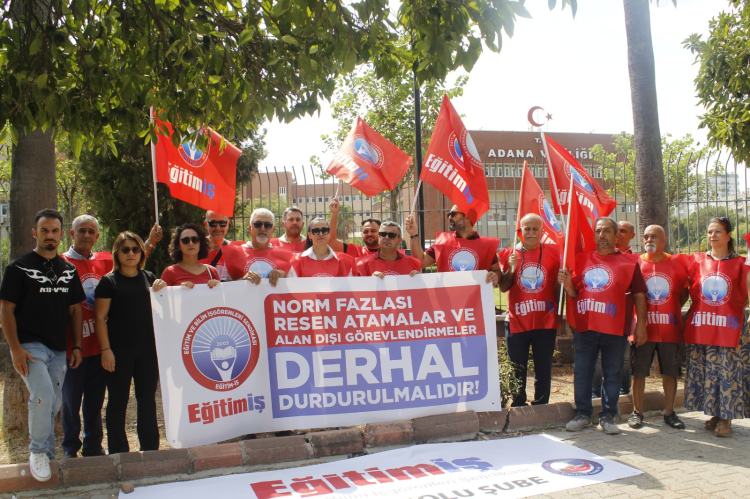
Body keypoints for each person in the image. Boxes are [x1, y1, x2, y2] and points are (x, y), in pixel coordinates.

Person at [0, 209, 85, 481]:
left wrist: (77, 346)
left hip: (58, 349)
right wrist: (15, 349)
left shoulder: (69, 270)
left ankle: (47, 455)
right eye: (44, 230)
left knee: (54, 402)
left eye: (55, 231)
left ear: (61, 234)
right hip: (29, 346)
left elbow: (75, 310)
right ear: (34, 233)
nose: (50, 235)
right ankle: (37, 451)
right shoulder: (18, 268)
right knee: (42, 395)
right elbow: (5, 309)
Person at [558, 217, 647, 435]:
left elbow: (639, 294)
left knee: (613, 373)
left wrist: (641, 326)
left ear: (616, 235)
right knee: (582, 372)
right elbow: (575, 293)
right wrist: (568, 285)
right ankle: (582, 414)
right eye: (598, 231)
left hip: (615, 328)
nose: (602, 235)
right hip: (586, 327)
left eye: (607, 231)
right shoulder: (582, 259)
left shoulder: (629, 262)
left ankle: (608, 416)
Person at [683, 217, 750, 438]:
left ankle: (725, 417)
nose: (712, 235)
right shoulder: (697, 261)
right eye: (710, 232)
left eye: (718, 231)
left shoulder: (742, 263)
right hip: (703, 325)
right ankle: (714, 412)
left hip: (729, 327)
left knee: (727, 371)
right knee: (707, 371)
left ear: (729, 235)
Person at [94, 232, 159, 454]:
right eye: (125, 249)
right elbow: (100, 318)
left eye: (135, 249)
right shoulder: (108, 282)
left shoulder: (150, 278)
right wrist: (106, 350)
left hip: (148, 351)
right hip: (118, 351)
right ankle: (118, 451)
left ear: (141, 252)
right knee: (118, 401)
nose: (131, 253)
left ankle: (150, 448)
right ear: (117, 253)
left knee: (147, 400)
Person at [60, 215, 112, 459]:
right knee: (70, 401)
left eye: (92, 231)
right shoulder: (60, 262)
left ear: (97, 236)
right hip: (72, 348)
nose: (87, 235)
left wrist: (151, 243)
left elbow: (132, 258)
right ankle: (70, 447)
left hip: (99, 346)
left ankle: (93, 445)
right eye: (82, 230)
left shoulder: (105, 260)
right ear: (72, 234)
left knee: (95, 400)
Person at [628, 225, 690, 430]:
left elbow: (684, 293)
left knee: (671, 372)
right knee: (638, 372)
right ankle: (637, 412)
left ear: (664, 239)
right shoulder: (635, 263)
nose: (649, 240)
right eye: (646, 236)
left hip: (670, 328)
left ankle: (670, 413)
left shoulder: (677, 263)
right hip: (642, 329)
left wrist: (672, 309)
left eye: (654, 236)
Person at [498, 214, 561, 407]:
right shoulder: (508, 254)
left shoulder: (555, 253)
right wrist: (511, 269)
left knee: (543, 366)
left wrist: (558, 313)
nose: (531, 233)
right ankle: (518, 404)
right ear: (520, 231)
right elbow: (503, 287)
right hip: (517, 319)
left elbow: (558, 287)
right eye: (527, 229)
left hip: (545, 319)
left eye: (535, 229)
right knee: (517, 366)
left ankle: (541, 405)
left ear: (542, 231)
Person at [592, 219, 638, 398]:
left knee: (623, 357)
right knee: (596, 358)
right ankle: (595, 393)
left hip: (624, 318)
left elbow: (639, 293)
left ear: (632, 236)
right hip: (600, 315)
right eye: (617, 231)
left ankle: (623, 391)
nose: (619, 235)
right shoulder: (598, 256)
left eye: (623, 231)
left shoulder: (635, 260)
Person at [405, 206, 500, 286]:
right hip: (448, 300)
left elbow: (497, 271)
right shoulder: (442, 242)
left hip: (476, 300)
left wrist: (495, 277)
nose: (450, 217)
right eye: (449, 215)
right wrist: (413, 234)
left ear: (467, 217)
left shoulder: (486, 245)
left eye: (454, 214)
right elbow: (421, 262)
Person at [222, 208, 291, 285]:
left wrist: (284, 276)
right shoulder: (233, 254)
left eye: (267, 225)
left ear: (273, 229)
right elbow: (223, 288)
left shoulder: (285, 256)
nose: (262, 228)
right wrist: (242, 281)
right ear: (250, 228)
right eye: (257, 224)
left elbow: (294, 286)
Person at [153, 223, 221, 291]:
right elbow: (162, 296)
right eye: (185, 240)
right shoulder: (170, 272)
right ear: (178, 245)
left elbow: (220, 296)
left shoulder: (212, 271)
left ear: (200, 243)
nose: (191, 243)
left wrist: (217, 287)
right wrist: (178, 291)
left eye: (195, 239)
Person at [289, 218, 356, 277]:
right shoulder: (297, 261)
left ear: (329, 234)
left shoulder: (344, 262)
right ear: (309, 235)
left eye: (324, 230)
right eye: (316, 231)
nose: (321, 234)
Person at [356, 221, 421, 277]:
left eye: (391, 235)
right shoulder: (363, 265)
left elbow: (419, 287)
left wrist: (418, 280)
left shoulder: (413, 264)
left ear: (399, 240)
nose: (386, 237)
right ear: (379, 238)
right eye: (383, 234)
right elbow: (358, 287)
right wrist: (371, 281)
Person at [199, 210, 243, 282]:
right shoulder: (196, 249)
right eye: (213, 223)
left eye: (222, 223)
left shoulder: (236, 250)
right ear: (206, 224)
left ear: (228, 224)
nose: (218, 228)